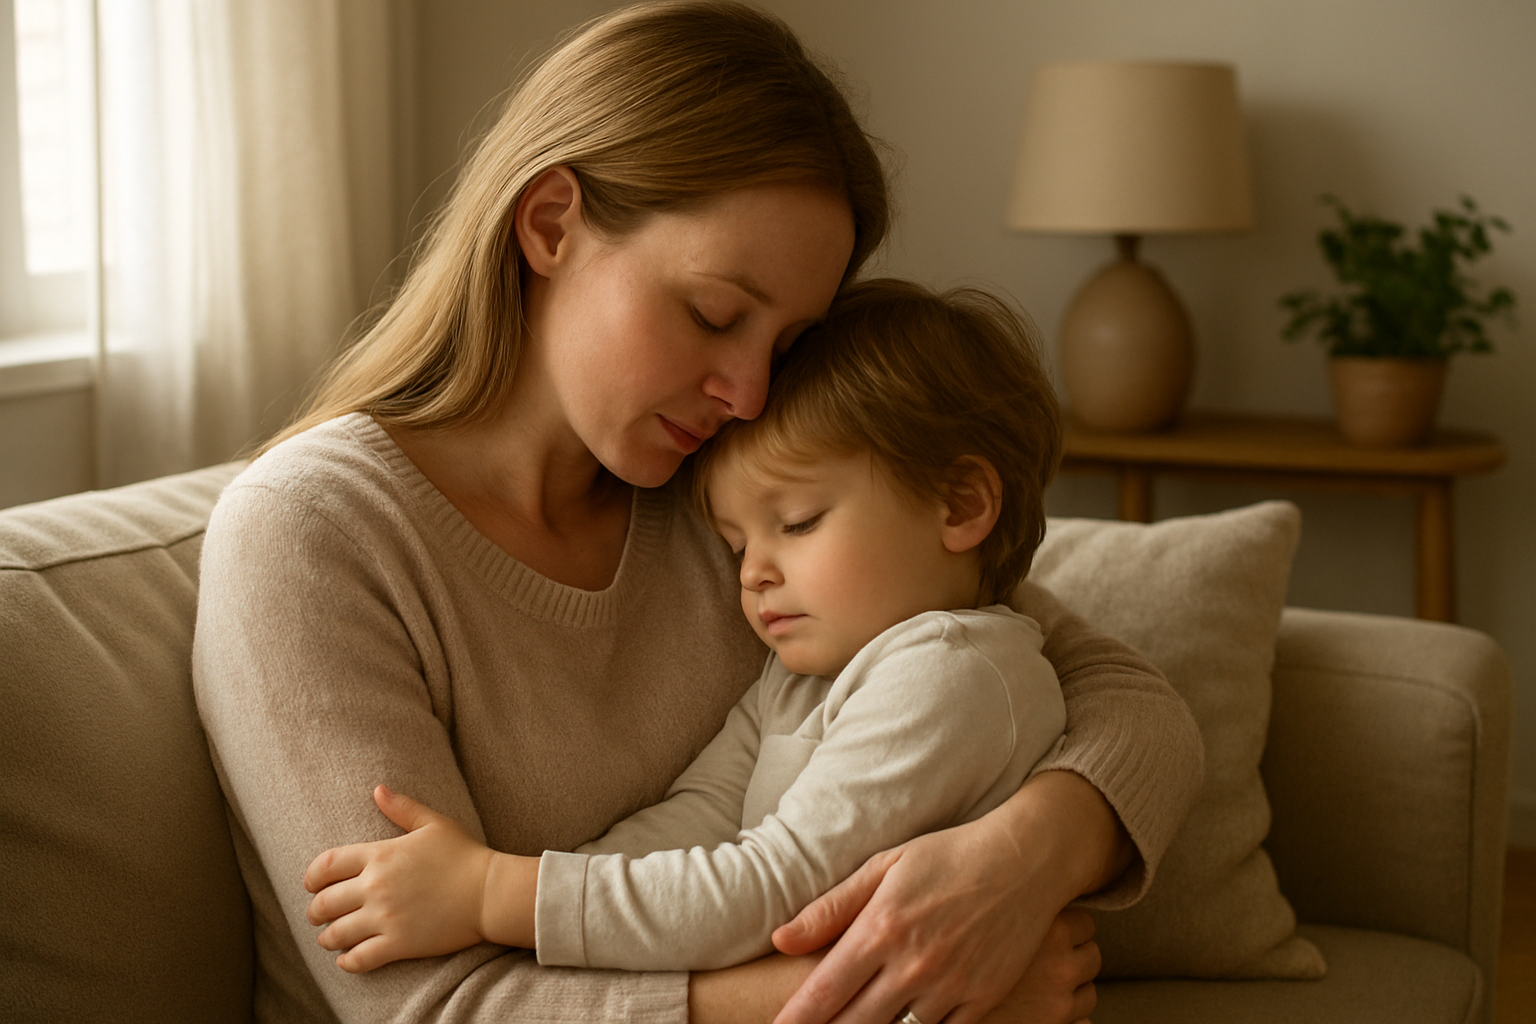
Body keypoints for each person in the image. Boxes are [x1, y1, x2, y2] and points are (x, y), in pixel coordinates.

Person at [191, 4, 1203, 1024]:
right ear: (550, 224)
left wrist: (1011, 870)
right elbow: (429, 1006)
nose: (752, 392)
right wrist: (905, 988)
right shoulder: (312, 535)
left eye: (786, 340)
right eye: (715, 315)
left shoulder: (727, 483)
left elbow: (1122, 698)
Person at [300, 279, 1072, 979]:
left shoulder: (954, 674)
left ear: (962, 506)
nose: (752, 573)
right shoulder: (805, 674)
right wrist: (534, 904)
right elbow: (698, 815)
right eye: (737, 545)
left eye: (797, 523)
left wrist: (494, 894)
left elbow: (766, 886)